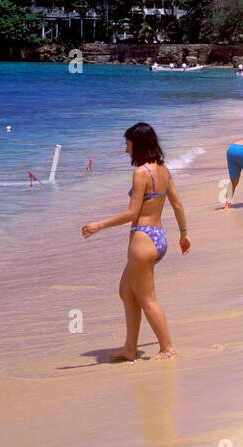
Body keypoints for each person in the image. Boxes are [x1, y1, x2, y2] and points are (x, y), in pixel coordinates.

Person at [81, 122, 191, 362]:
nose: (125, 150)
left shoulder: (141, 173)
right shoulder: (163, 169)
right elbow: (178, 204)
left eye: (128, 144)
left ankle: (168, 348)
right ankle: (130, 348)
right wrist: (184, 234)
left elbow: (133, 213)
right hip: (159, 238)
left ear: (138, 145)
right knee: (126, 292)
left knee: (147, 299)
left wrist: (99, 225)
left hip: (142, 239)